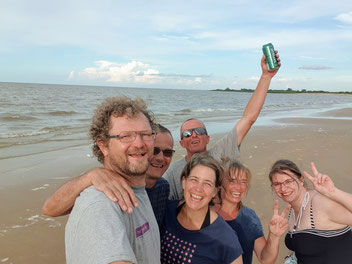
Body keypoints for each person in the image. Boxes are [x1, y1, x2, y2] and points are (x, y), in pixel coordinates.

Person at [164, 52, 281, 199]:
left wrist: (266, 76)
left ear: (207, 138)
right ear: (181, 143)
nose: (193, 135)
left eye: (199, 131)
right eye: (187, 134)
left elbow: (248, 118)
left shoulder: (221, 153)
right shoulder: (173, 172)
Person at [65, 96, 160, 264]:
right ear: (103, 146)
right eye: (125, 136)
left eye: (145, 134)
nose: (139, 143)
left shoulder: (137, 190)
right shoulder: (101, 204)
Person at [42, 124, 174, 230]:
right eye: (155, 150)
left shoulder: (163, 187)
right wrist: (89, 176)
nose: (160, 158)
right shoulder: (111, 186)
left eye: (167, 152)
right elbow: (49, 209)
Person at [161, 153, 243, 264]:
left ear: (215, 191)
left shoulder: (226, 239)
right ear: (184, 182)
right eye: (194, 180)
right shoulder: (164, 211)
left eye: (207, 183)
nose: (198, 189)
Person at [269, 159, 352, 264]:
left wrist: (334, 192)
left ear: (301, 180)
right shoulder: (292, 211)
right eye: (277, 184)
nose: (283, 188)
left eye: (288, 181)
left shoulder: (319, 203)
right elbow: (304, 247)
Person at [216, 159, 290, 264]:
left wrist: (274, 236)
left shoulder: (249, 217)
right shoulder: (206, 215)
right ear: (220, 183)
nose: (239, 187)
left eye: (243, 181)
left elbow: (266, 260)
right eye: (232, 181)